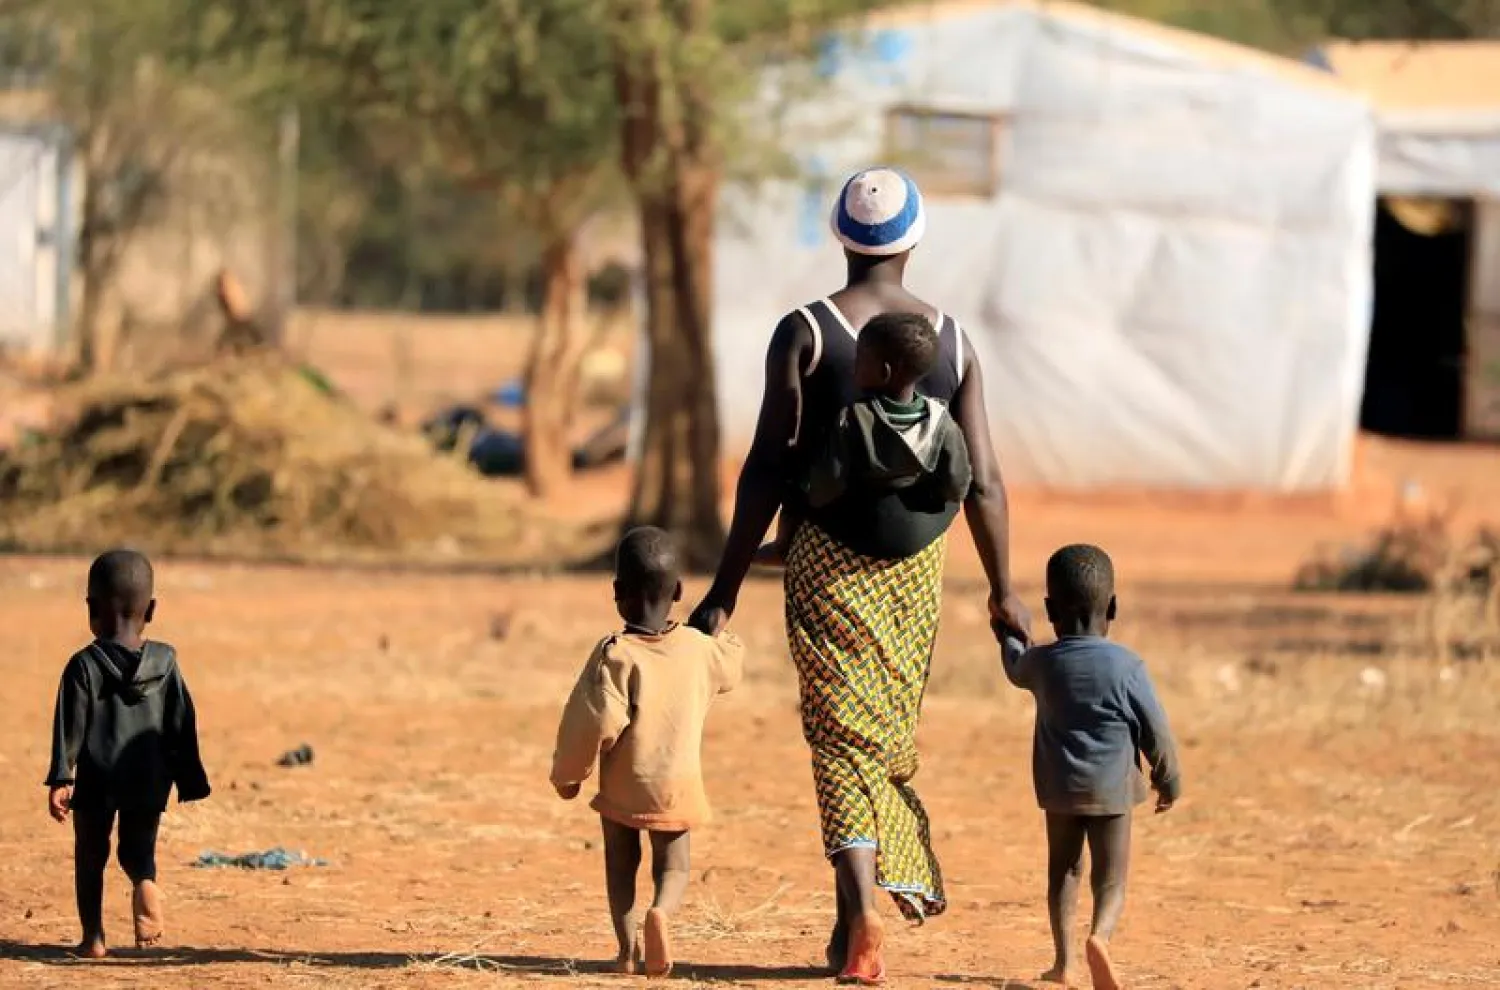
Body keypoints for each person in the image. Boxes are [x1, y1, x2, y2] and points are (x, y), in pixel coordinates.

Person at [689, 166, 1031, 985]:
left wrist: (726, 586)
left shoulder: (804, 332)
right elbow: (983, 478)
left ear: (841, 238)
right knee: (878, 736)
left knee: (836, 736)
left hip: (824, 565)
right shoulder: (950, 342)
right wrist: (1003, 586)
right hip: (918, 574)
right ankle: (860, 916)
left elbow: (766, 467)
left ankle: (859, 908)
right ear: (914, 240)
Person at [551, 527, 745, 978]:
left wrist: (569, 775)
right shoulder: (699, 651)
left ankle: (625, 950)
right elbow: (730, 664)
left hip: (623, 790)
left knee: (620, 866)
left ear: (617, 592)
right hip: (677, 787)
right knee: (674, 865)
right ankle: (662, 910)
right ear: (678, 591)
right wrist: (720, 631)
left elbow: (591, 721)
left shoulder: (615, 656)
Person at [1001, 544, 1182, 990]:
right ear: (1113, 607)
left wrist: (1005, 628)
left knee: (1063, 870)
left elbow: (1014, 665)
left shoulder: (1043, 663)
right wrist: (1168, 779)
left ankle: (1064, 964)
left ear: (1048, 609)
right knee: (1111, 875)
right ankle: (1100, 936)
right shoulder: (1127, 666)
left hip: (1059, 789)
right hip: (1114, 790)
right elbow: (1154, 729)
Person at [45, 549, 211, 959]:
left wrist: (62, 776)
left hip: (98, 780)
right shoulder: (167, 662)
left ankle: (94, 938)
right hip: (149, 777)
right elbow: (182, 723)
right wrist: (189, 778)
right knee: (137, 848)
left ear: (91, 608)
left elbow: (70, 725)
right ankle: (145, 881)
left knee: (91, 854)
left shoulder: (83, 666)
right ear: (151, 609)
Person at [754, 311, 971, 567]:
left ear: (884, 371)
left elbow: (827, 484)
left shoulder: (854, 418)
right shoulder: (942, 423)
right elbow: (957, 483)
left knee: (795, 476)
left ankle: (782, 546)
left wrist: (805, 488)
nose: (854, 365)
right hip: (916, 541)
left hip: (852, 538)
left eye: (860, 359)